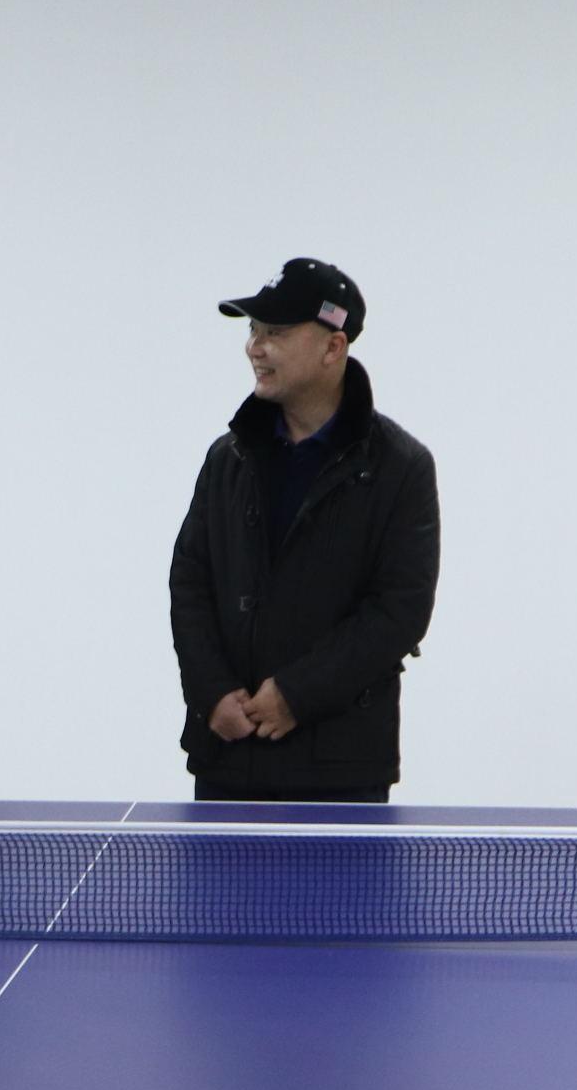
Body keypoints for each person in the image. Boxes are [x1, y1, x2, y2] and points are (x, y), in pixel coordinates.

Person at [169, 258, 438, 803]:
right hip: (229, 757)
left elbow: (400, 611)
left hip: (341, 770)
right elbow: (190, 581)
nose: (255, 347)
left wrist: (297, 694)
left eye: (276, 332)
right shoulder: (227, 458)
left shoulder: (401, 466)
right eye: (254, 330)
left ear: (333, 347)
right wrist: (211, 692)